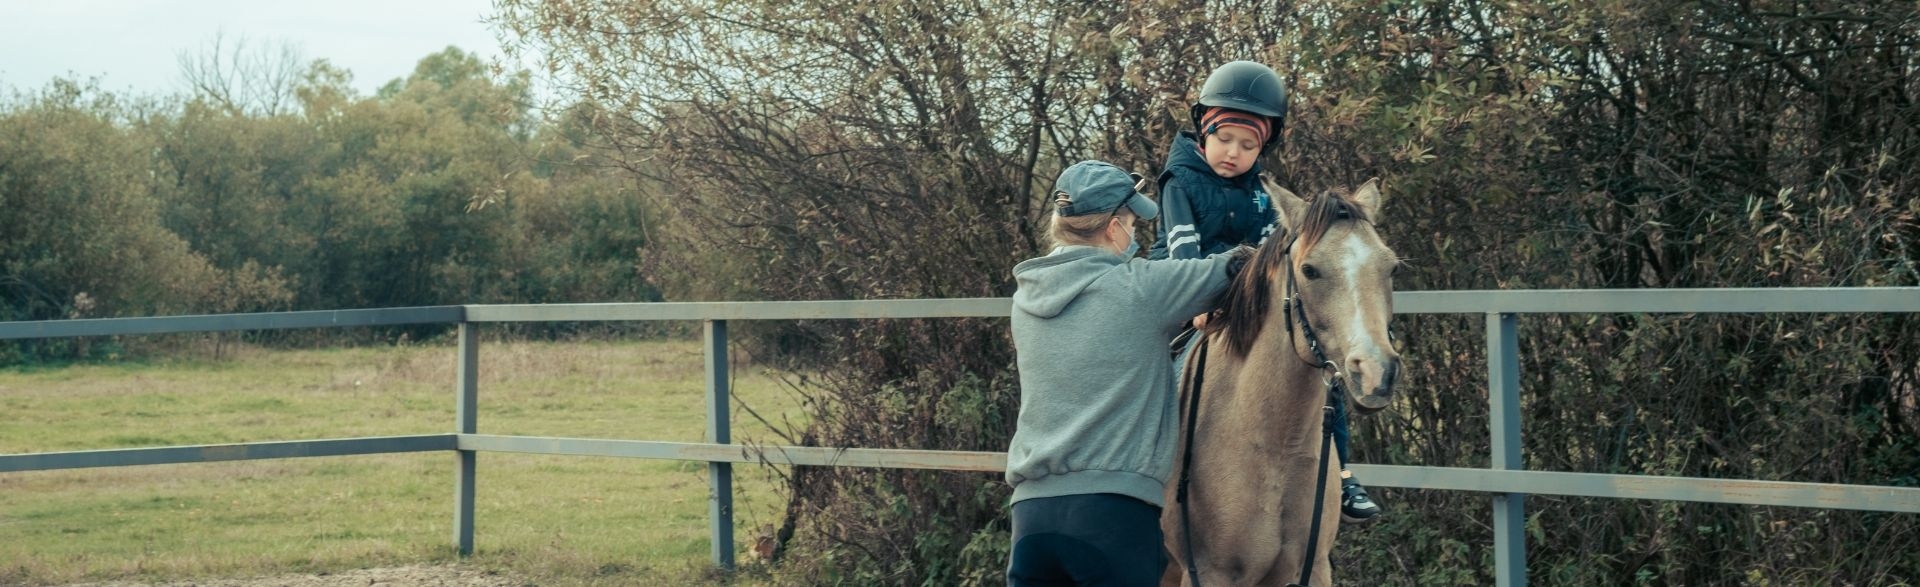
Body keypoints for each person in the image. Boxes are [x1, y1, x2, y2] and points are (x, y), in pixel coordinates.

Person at [1148, 60, 1382, 524]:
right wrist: (1196, 308)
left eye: (1248, 144)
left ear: (1263, 147)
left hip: (1243, 300)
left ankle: (1341, 475)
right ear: (1203, 131)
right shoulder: (1181, 181)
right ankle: (1154, 467)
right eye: (1225, 139)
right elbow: (1183, 254)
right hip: (1183, 293)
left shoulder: (1261, 190)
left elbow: (1275, 253)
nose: (1233, 152)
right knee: (1165, 369)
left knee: (1319, 370)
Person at [1005, 160, 1250, 586]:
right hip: (1111, 515)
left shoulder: (1024, 301)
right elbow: (1231, 269)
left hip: (1030, 516)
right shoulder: (1139, 289)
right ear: (1114, 228)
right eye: (1134, 223)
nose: (1136, 234)